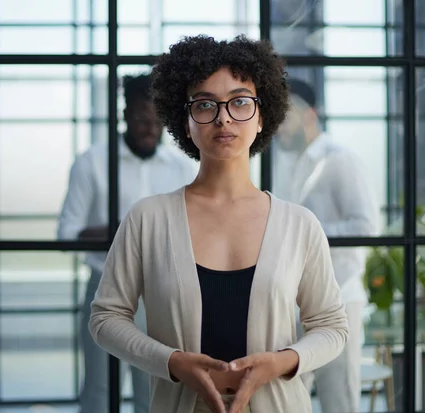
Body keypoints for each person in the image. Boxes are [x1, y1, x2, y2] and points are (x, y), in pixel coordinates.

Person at [88, 34, 349, 413]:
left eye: (240, 101)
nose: (223, 117)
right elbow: (106, 317)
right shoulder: (148, 219)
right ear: (186, 121)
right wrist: (172, 362)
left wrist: (282, 361)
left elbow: (332, 327)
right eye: (205, 104)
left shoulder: (299, 224)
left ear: (262, 117)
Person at [57, 73, 198, 413]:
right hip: (105, 287)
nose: (149, 129)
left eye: (156, 122)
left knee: (156, 388)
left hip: (164, 291)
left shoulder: (181, 168)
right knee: (99, 388)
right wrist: (126, 231)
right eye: (140, 119)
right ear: (125, 115)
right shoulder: (92, 162)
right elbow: (67, 233)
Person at [273, 78, 379, 413]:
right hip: (294, 303)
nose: (277, 129)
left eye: (284, 118)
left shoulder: (339, 160)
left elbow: (367, 227)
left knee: (339, 400)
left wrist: (307, 232)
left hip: (339, 300)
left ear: (310, 115)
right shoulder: (286, 163)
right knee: (290, 397)